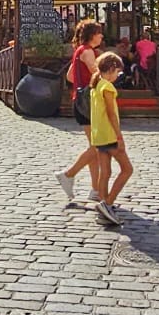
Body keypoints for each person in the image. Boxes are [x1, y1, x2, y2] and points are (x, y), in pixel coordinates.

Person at [55, 20, 107, 204]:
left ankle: (95, 189)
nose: (101, 36)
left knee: (93, 145)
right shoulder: (88, 51)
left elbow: (70, 76)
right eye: (99, 33)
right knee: (98, 145)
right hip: (89, 101)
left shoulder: (79, 51)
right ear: (92, 34)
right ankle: (69, 174)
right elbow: (98, 74)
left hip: (79, 101)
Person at [87, 52, 133, 226]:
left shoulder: (96, 85)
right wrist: (119, 135)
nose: (117, 76)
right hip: (109, 134)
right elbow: (111, 113)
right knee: (127, 169)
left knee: (105, 172)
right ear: (112, 69)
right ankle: (108, 202)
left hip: (98, 134)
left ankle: (103, 209)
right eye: (117, 72)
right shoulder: (107, 87)